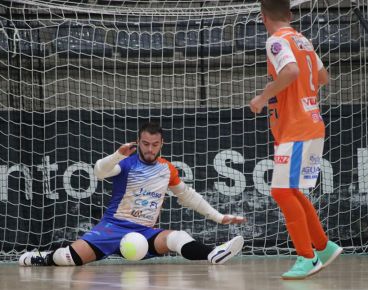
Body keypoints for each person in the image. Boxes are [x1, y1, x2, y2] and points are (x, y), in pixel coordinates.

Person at [19, 122, 246, 267]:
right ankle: (45, 257)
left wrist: (218, 217)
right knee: (67, 258)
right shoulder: (125, 163)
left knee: (177, 237)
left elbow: (187, 196)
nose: (149, 149)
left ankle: (214, 253)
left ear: (161, 144)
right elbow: (99, 172)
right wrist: (117, 155)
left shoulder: (167, 169)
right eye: (145, 144)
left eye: (154, 145)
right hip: (112, 228)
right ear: (138, 142)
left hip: (145, 232)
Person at [249, 0, 343, 280]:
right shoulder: (304, 41)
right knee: (293, 191)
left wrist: (263, 96)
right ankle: (324, 248)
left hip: (296, 127)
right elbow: (323, 77)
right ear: (289, 15)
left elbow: (290, 72)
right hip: (313, 124)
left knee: (281, 191)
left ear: (264, 17)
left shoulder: (276, 41)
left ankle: (307, 256)